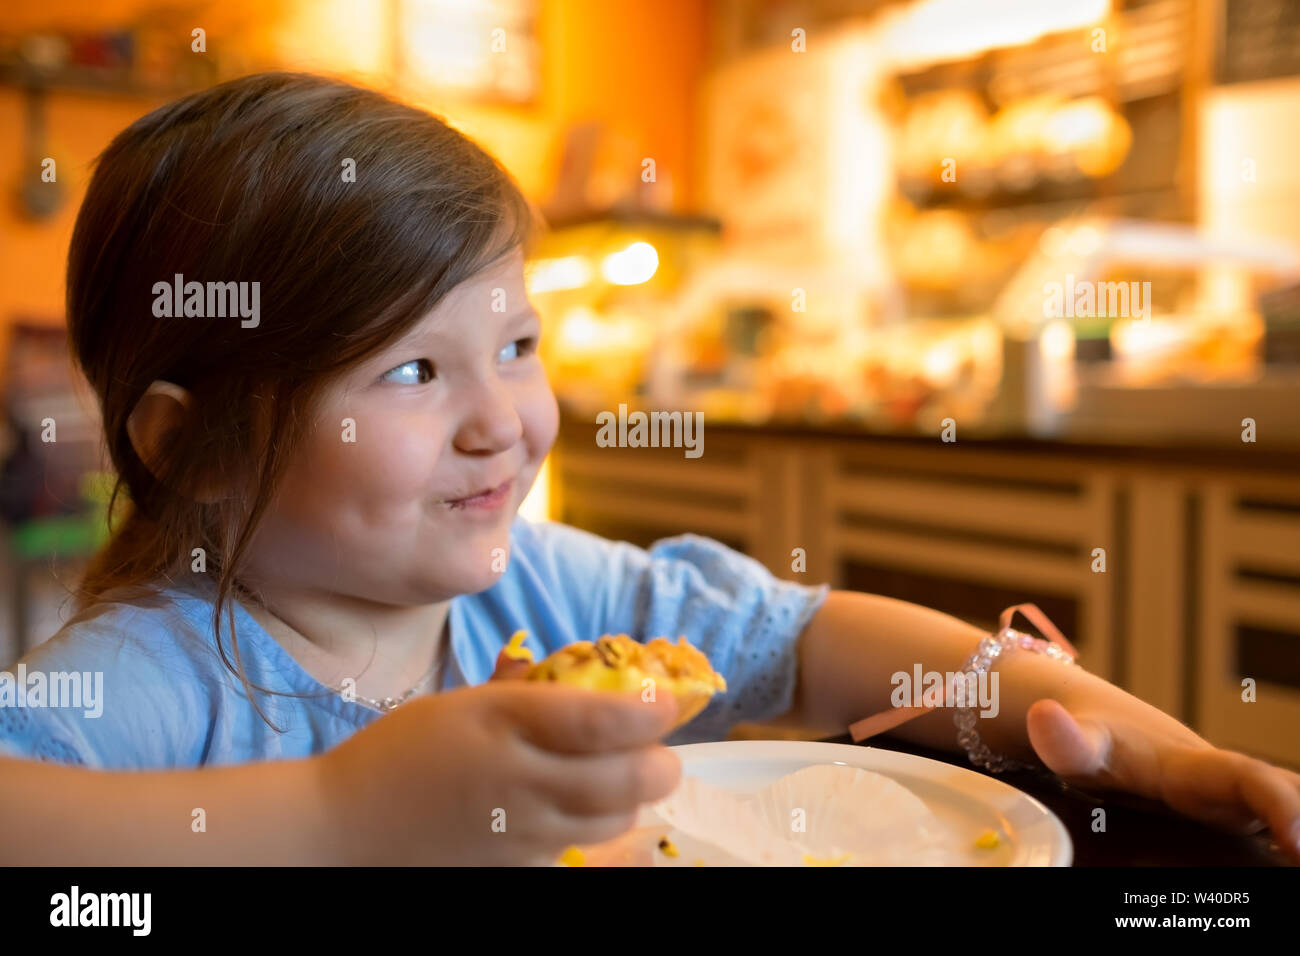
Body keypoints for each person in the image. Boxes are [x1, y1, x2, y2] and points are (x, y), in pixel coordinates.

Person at [2, 73, 1297, 866]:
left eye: (515, 345)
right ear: (190, 448)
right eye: (411, 372)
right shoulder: (169, 675)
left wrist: (1160, 753)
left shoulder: (541, 602)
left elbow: (809, 639)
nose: (502, 420)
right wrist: (343, 819)